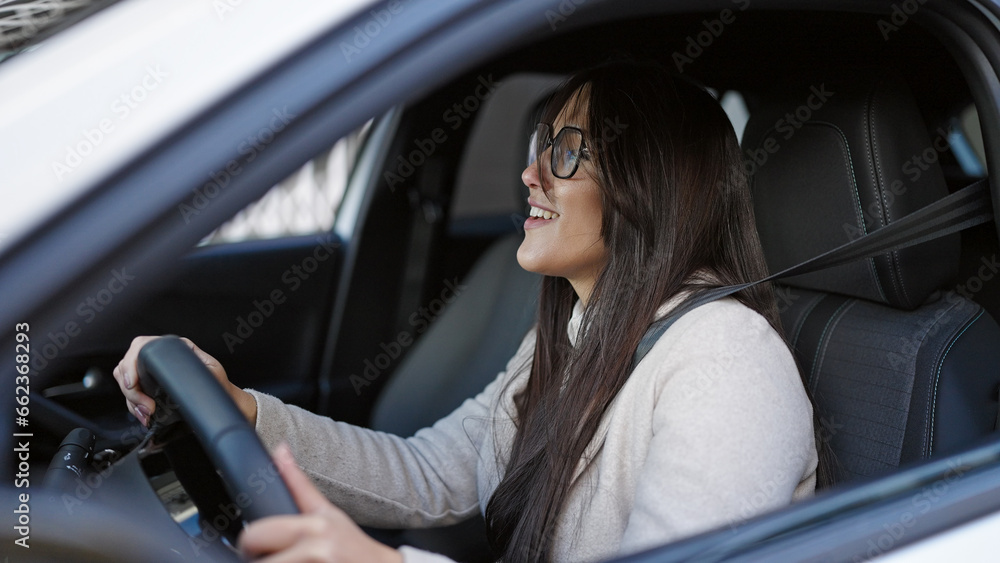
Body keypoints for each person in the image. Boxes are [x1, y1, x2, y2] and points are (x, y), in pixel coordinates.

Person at [114, 61, 820, 563]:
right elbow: (432, 473)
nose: (530, 172)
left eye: (566, 151)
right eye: (539, 144)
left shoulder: (728, 362)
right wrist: (244, 412)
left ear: (652, 184)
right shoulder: (576, 333)